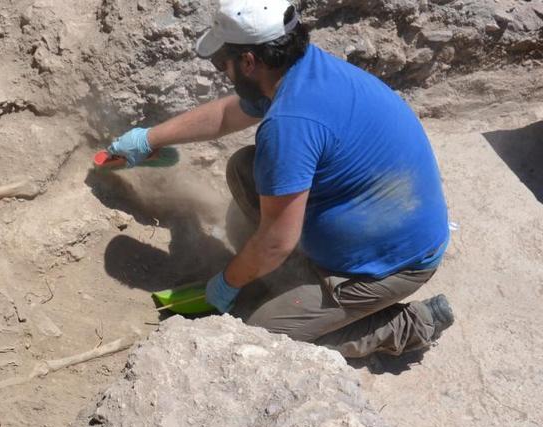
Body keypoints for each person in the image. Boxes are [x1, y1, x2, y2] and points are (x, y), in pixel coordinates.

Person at [107, 0, 454, 358]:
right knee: (245, 169)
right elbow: (228, 114)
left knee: (263, 334)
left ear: (248, 62)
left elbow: (275, 242)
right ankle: (292, 280)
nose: (221, 73)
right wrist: (150, 139)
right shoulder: (300, 68)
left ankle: (407, 324)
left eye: (220, 63)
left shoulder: (290, 124)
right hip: (375, 217)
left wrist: (226, 283)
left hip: (389, 263)